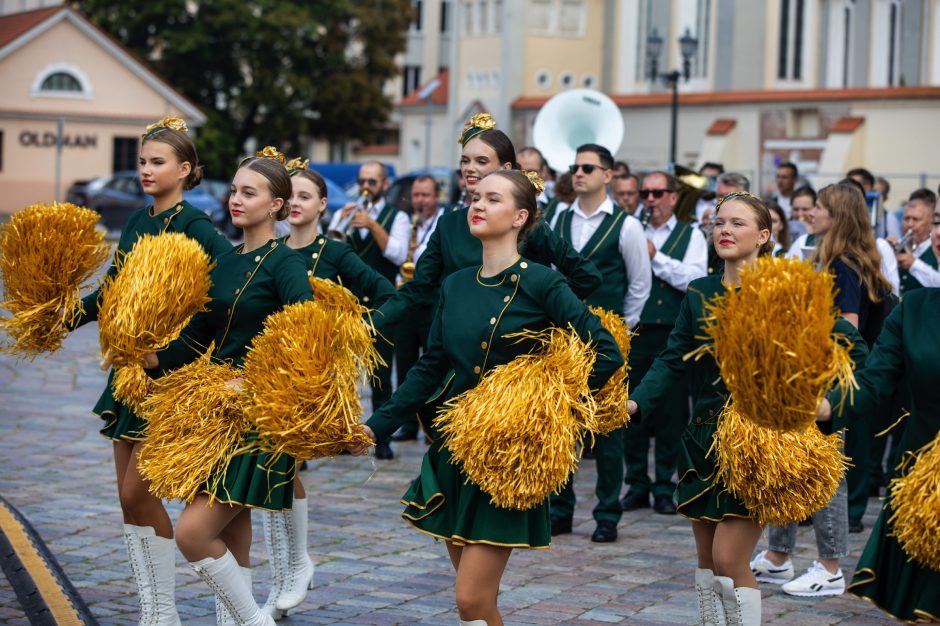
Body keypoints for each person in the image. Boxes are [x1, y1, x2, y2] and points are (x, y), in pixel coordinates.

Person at [354, 169, 624, 626]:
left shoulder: (542, 282)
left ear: (520, 216)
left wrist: (547, 408)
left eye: (492, 199)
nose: (477, 204)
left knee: (470, 600)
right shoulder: (455, 284)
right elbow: (429, 366)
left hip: (507, 456)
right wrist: (374, 425)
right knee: (477, 606)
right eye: (476, 197)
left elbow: (606, 351)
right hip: (454, 449)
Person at [626, 192, 867, 625]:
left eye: (737, 223)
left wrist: (824, 402)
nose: (724, 230)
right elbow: (672, 358)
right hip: (704, 440)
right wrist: (635, 402)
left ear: (764, 235)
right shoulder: (700, 293)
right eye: (719, 222)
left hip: (761, 445)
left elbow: (853, 349)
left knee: (728, 556)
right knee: (706, 561)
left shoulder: (789, 288)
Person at [69, 117, 231, 626]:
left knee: (139, 491)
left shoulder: (197, 227)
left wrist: (176, 350)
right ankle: (155, 611)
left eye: (156, 162)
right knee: (127, 500)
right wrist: (63, 316)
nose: (145, 170)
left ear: (184, 170)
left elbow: (225, 295)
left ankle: (166, 611)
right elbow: (113, 289)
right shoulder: (138, 223)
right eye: (141, 161)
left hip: (169, 378)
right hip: (128, 374)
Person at [144, 150, 313, 626]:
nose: (235, 199)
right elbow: (198, 336)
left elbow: (305, 336)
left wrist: (256, 382)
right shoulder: (226, 262)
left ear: (277, 205)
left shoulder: (286, 264)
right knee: (235, 541)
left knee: (193, 534)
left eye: (249, 192)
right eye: (234, 190)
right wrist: (152, 357)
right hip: (214, 416)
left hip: (257, 420)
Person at [255, 163, 396, 619]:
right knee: (270, 469)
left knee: (282, 465)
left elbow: (390, 296)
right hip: (272, 373)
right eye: (288, 195)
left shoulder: (334, 254)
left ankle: (294, 568)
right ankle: (286, 574)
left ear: (321, 205)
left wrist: (348, 332)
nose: (295, 202)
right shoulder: (271, 251)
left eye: (304, 196)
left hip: (315, 378)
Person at [372, 114, 602, 335]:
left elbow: (586, 275)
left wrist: (540, 315)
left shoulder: (525, 222)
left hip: (516, 361)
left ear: (506, 167)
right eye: (464, 161)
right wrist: (368, 326)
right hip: (462, 351)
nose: (469, 168)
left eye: (481, 161)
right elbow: (417, 288)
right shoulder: (449, 224)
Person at [815, 264, 940, 622]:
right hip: (922, 486)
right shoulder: (914, 308)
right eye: (938, 221)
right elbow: (873, 382)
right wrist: (825, 407)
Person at [548, 144, 651, 543]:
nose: (579, 173)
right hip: (565, 337)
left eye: (588, 167)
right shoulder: (558, 218)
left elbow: (640, 283)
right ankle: (560, 509)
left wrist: (621, 330)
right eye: (575, 167)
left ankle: (607, 513)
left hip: (609, 337)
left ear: (608, 175)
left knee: (608, 428)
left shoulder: (626, 225)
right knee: (560, 422)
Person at [621, 170, 707, 515]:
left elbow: (696, 280)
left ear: (673, 196)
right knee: (631, 407)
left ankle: (663, 485)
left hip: (674, 332)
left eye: (658, 193)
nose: (650, 200)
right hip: (636, 331)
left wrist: (655, 256)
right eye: (646, 193)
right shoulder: (630, 228)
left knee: (671, 412)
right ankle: (637, 483)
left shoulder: (693, 235)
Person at [811, 183, 895, 536]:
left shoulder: (842, 265)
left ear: (837, 217)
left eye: (819, 207)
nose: (812, 213)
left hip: (849, 368)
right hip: (859, 367)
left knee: (848, 447)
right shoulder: (853, 260)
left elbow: (847, 326)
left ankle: (846, 517)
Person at [327, 161, 410, 460]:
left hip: (382, 303)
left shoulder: (397, 216)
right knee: (343, 373)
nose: (365, 187)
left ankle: (382, 437)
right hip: (347, 305)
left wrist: (373, 225)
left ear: (385, 186)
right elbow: (332, 245)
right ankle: (340, 434)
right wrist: (345, 221)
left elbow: (398, 254)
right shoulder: (344, 213)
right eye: (362, 181)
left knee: (380, 371)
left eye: (372, 182)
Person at [392, 175, 444, 442]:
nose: (420, 201)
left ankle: (433, 422)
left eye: (425, 195)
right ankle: (408, 424)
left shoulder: (443, 222)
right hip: (409, 298)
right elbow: (398, 254)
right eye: (416, 195)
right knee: (405, 364)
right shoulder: (407, 222)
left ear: (436, 197)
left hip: (434, 300)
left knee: (433, 363)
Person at [897, 188, 940, 294]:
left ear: (932, 221)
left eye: (916, 219)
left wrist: (914, 264)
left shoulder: (936, 249)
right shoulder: (901, 246)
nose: (909, 224)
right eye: (906, 218)